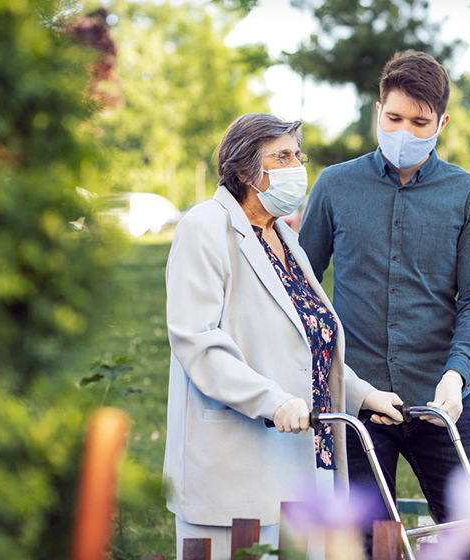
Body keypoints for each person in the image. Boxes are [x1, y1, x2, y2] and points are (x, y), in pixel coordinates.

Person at [162, 113, 404, 560]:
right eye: (282, 157)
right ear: (242, 172)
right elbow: (197, 342)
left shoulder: (283, 237)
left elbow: (310, 345)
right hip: (235, 464)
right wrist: (273, 401)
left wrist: (365, 396)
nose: (297, 166)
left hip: (304, 461)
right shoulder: (205, 228)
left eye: (298, 155)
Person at [299, 50, 470, 553]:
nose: (404, 132)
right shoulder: (334, 186)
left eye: (419, 122)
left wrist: (456, 377)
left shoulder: (469, 194)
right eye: (393, 118)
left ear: (442, 122)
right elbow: (299, 290)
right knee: (367, 545)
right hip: (358, 402)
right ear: (377, 112)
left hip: (440, 401)